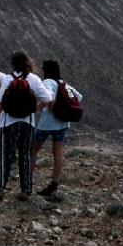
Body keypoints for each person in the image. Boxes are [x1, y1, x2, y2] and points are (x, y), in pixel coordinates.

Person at [0, 50, 53, 200]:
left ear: (13, 63)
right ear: (27, 62)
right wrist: (33, 110)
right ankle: (26, 188)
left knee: (4, 154)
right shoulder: (34, 79)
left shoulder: (7, 79)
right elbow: (47, 99)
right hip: (27, 122)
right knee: (25, 154)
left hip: (7, 122)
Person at [31, 59, 82, 197]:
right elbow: (79, 97)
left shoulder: (48, 82)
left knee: (33, 149)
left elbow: (48, 99)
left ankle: (28, 180)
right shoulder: (63, 83)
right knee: (57, 153)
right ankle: (54, 184)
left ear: (46, 70)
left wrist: (37, 109)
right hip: (63, 124)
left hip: (48, 124)